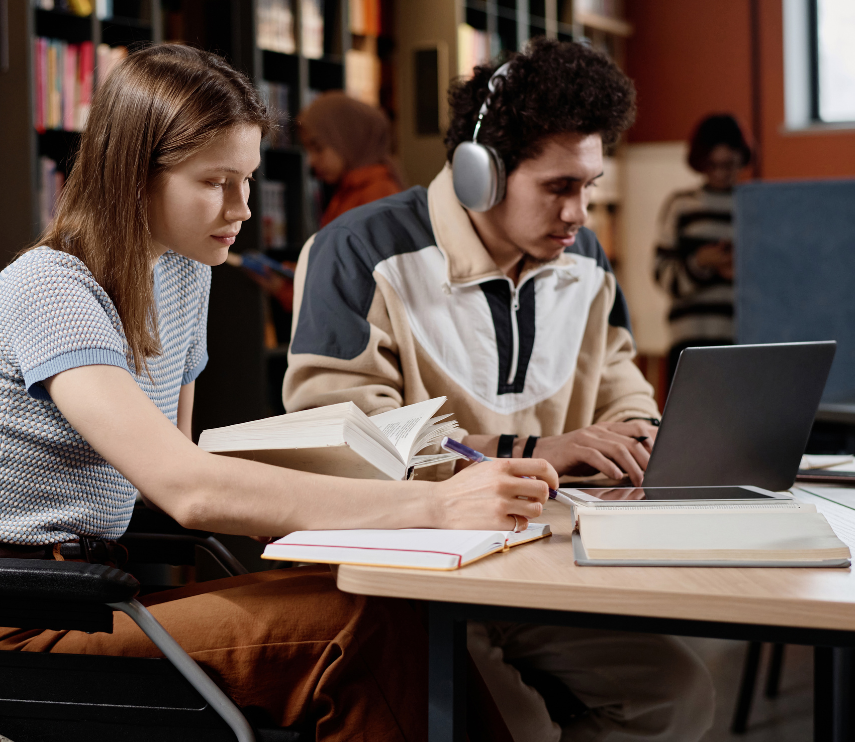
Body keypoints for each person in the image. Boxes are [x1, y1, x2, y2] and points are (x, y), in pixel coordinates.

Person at [0, 44, 557, 741]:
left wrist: (360, 490)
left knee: (385, 604)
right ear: (134, 174)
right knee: (359, 625)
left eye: (248, 180)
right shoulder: (50, 289)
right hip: (2, 620)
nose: (243, 208)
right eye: (217, 182)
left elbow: (181, 465)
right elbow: (186, 487)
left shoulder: (182, 275)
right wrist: (432, 505)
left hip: (95, 592)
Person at [284, 40, 715, 740]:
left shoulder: (585, 259)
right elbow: (341, 441)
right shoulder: (359, 251)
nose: (580, 213)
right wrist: (532, 449)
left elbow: (622, 383)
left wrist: (640, 435)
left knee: (674, 696)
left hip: (543, 566)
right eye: (559, 187)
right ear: (480, 174)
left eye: (589, 186)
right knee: (517, 729)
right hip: (418, 575)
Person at [654, 113, 753, 387]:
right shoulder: (681, 205)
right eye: (713, 165)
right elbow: (662, 276)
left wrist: (740, 271)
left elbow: (776, 281)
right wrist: (701, 262)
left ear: (742, 158)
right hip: (690, 344)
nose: (722, 173)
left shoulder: (755, 206)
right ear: (700, 162)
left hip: (745, 341)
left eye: (729, 164)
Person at [297, 92, 403, 227]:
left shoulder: (378, 194)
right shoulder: (349, 190)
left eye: (318, 148)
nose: (310, 160)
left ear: (348, 139)